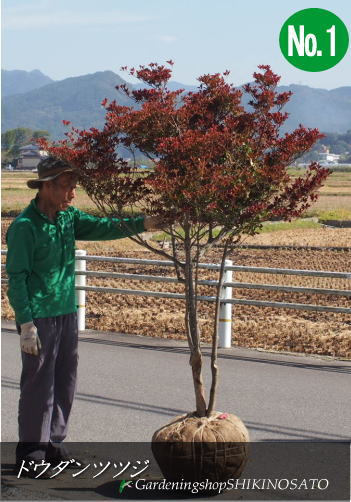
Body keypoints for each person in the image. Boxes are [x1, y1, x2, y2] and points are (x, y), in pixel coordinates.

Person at [6, 156, 164, 471]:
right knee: (39, 385)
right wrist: (25, 323)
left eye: (74, 187)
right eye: (66, 187)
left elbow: (104, 227)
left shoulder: (68, 218)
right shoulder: (25, 227)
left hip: (66, 312)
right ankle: (31, 453)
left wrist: (143, 223)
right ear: (46, 186)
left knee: (65, 381)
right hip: (39, 317)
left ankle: (53, 444)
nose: (72, 194)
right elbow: (17, 278)